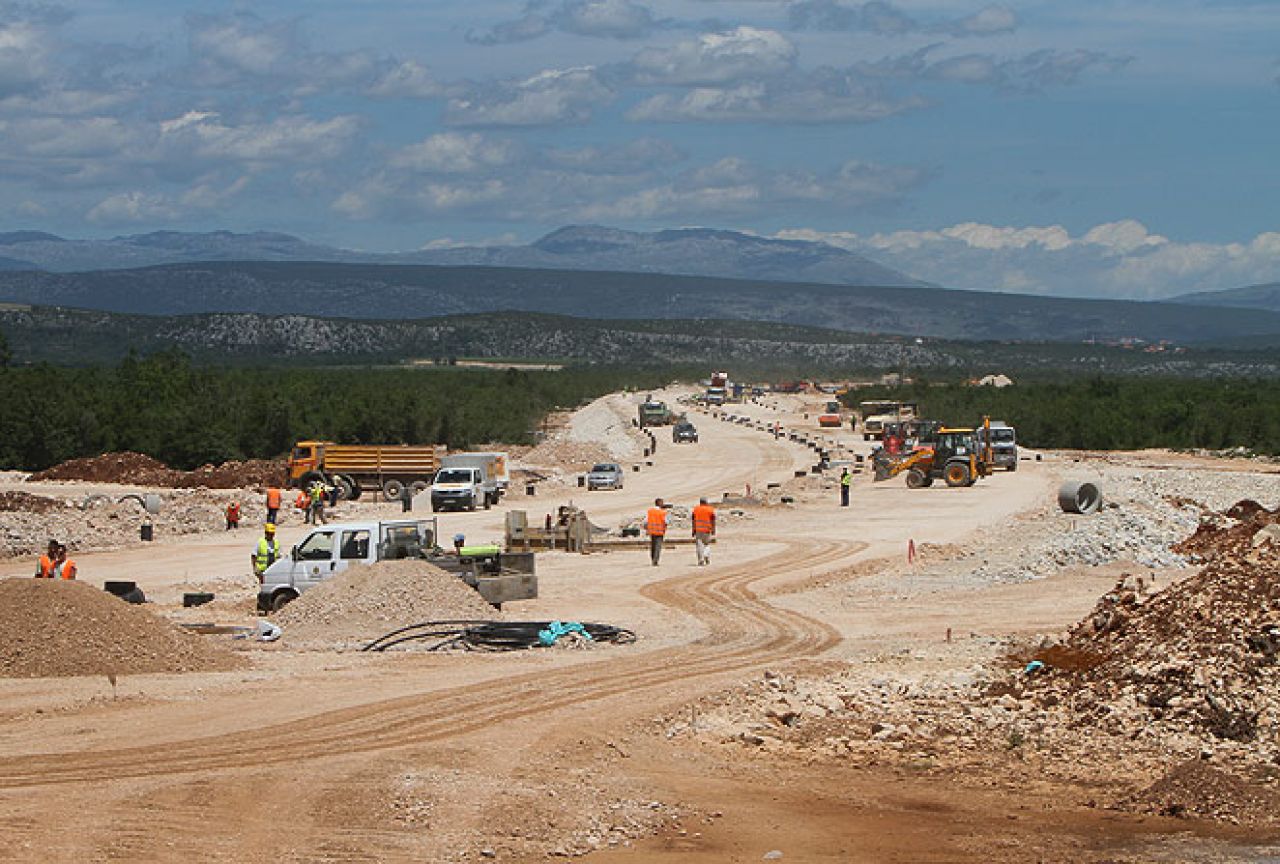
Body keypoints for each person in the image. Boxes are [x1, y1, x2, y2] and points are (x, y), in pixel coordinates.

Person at [691, 497, 716, 566]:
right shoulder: (710, 509)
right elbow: (713, 520)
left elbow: (693, 520)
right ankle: (705, 555)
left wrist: (693, 530)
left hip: (698, 530)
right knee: (706, 544)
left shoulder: (696, 509)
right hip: (707, 529)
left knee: (699, 545)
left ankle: (700, 560)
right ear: (706, 502)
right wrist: (713, 529)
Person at [645, 498, 668, 566]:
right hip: (659, 531)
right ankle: (655, 560)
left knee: (653, 546)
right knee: (658, 546)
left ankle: (653, 558)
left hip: (652, 531)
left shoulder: (650, 511)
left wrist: (646, 528)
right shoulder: (663, 512)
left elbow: (645, 521)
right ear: (659, 503)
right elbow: (667, 521)